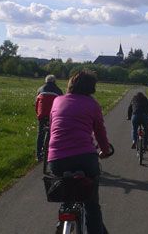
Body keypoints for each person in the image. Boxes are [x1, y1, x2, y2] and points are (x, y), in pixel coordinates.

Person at [48, 70, 112, 234]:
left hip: (56, 159)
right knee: (91, 205)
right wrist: (105, 151)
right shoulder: (92, 104)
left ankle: (65, 214)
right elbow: (100, 133)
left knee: (67, 194)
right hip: (85, 158)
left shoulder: (57, 101)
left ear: (71, 84)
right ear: (92, 88)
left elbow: (53, 127)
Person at [35, 74, 63, 162]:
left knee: (40, 134)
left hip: (42, 115)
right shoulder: (58, 90)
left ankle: (38, 154)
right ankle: (51, 153)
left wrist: (38, 114)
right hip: (54, 115)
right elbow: (61, 104)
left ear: (46, 81)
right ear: (54, 82)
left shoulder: (40, 89)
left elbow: (36, 103)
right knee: (53, 133)